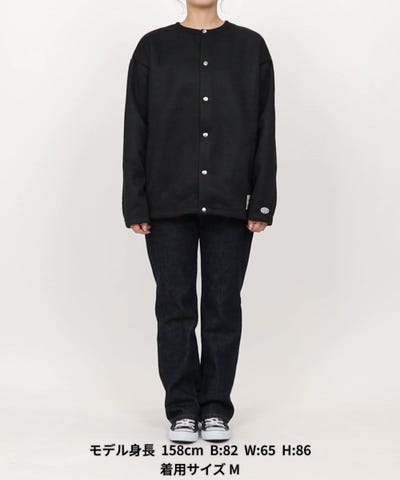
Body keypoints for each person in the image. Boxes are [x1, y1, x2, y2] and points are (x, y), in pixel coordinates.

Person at [122, 0, 277, 443]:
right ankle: (182, 409)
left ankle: (215, 408)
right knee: (175, 308)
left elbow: (265, 125)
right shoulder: (153, 48)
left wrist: (261, 201)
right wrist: (136, 202)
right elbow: (136, 126)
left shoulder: (251, 48)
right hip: (166, 202)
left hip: (230, 200)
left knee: (223, 307)